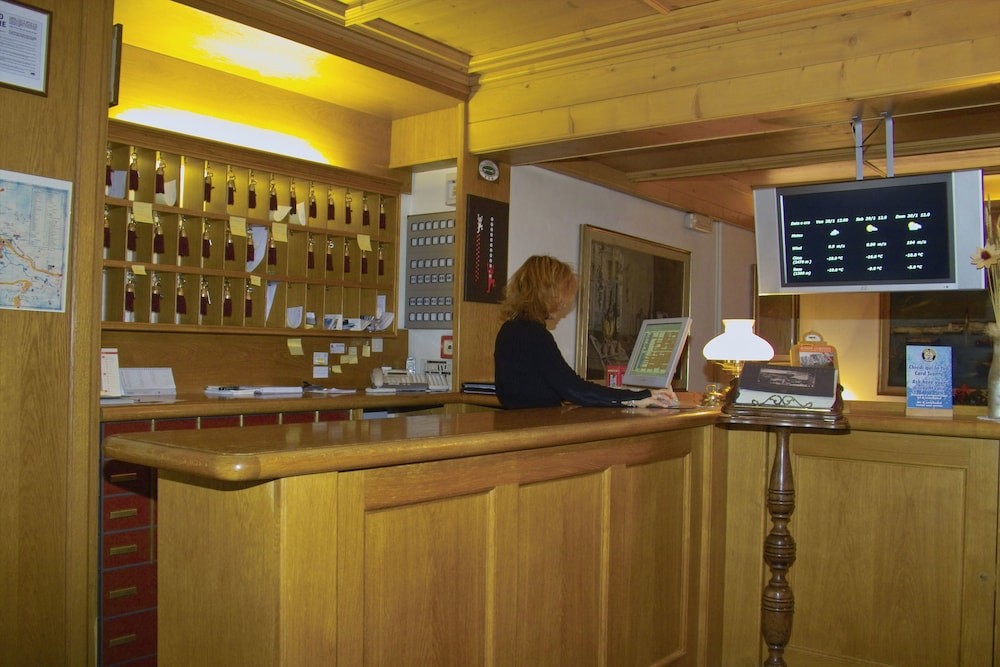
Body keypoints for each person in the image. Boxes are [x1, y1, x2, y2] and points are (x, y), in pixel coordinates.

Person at [494, 255, 679, 409]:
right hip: (539, 428)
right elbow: (574, 389)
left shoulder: (510, 329)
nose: (564, 303)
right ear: (547, 293)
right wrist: (639, 397)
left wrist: (629, 395)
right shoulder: (533, 334)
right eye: (563, 294)